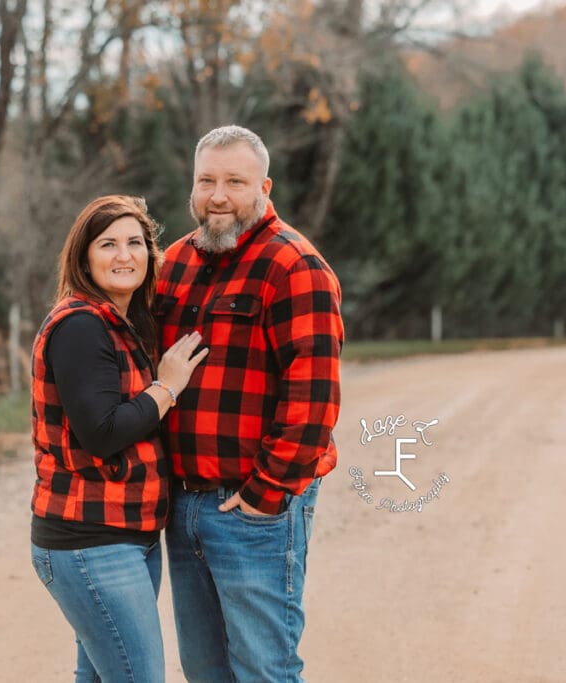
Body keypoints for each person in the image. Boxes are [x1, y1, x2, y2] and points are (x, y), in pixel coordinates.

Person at [155, 126, 344, 682]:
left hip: (254, 507)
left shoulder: (294, 265)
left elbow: (314, 398)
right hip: (184, 503)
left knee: (264, 668)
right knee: (204, 669)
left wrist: (267, 492)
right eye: (206, 181)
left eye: (234, 182)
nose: (218, 196)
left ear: (264, 186)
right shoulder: (174, 263)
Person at [30, 195, 208, 683]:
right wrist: (167, 387)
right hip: (89, 542)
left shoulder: (122, 323)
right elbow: (101, 435)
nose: (124, 255)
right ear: (84, 257)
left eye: (135, 242)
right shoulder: (82, 326)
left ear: (151, 254)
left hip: (127, 537)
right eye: (108, 244)